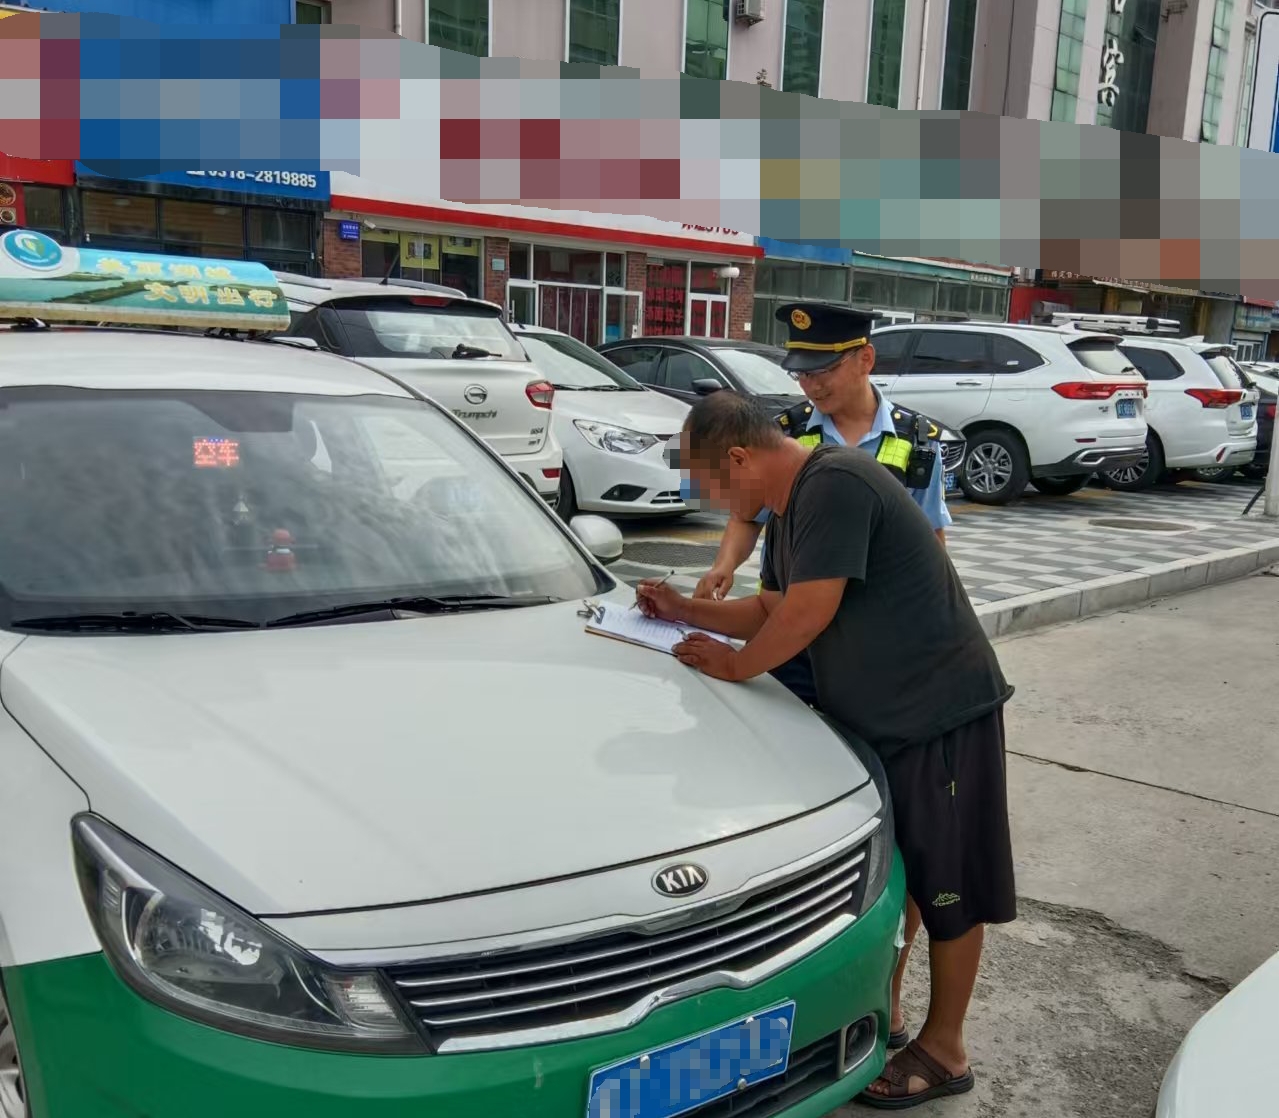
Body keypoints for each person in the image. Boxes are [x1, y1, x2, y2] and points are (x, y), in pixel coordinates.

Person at [640, 390, 1015, 1110]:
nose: (716, 505)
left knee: (950, 886)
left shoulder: (834, 482)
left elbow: (809, 613)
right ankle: (891, 1008)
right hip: (886, 718)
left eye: (711, 486)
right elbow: (770, 607)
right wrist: (685, 610)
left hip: (937, 715)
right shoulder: (790, 508)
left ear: (739, 459)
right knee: (901, 873)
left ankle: (946, 1050)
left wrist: (734, 666)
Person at [678, 304, 952, 709]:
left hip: (865, 640)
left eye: (824, 371)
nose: (812, 386)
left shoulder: (917, 439)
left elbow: (930, 536)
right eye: (803, 374)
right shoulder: (783, 433)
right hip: (787, 624)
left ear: (865, 359)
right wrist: (725, 565)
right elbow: (748, 514)